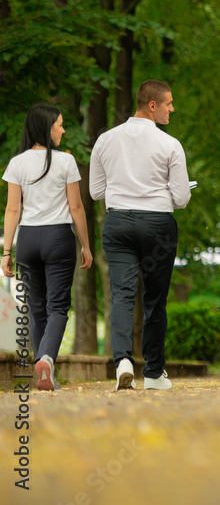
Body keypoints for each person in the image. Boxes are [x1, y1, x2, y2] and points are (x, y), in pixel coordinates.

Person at [91, 80, 191, 391]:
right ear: (152, 105)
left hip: (118, 222)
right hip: (157, 225)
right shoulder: (169, 145)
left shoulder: (105, 140)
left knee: (121, 294)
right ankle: (153, 373)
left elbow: (96, 191)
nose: (172, 109)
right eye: (168, 104)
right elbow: (182, 198)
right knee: (154, 300)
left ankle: (122, 360)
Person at [2, 105, 93, 391]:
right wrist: (86, 246)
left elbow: (12, 210)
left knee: (36, 307)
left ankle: (44, 368)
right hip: (57, 239)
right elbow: (76, 207)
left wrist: (7, 251)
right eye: (60, 125)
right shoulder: (66, 162)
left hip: (27, 240)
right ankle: (47, 359)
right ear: (47, 127)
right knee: (58, 307)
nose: (63, 130)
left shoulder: (17, 163)